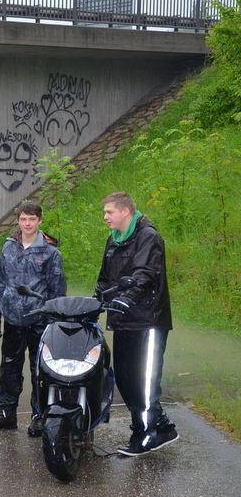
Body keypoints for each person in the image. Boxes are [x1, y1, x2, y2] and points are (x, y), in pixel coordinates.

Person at [95, 191, 177, 456]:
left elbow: (145, 275)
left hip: (147, 320)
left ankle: (147, 433)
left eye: (109, 212)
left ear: (125, 211)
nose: (105, 217)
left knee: (144, 381)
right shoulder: (114, 239)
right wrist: (96, 300)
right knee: (125, 378)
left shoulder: (148, 237)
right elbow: (105, 278)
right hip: (123, 320)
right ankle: (160, 426)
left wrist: (127, 298)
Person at [0, 202, 66, 436]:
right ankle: (6, 414)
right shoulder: (9, 247)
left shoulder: (51, 253)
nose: (27, 224)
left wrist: (54, 321)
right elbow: (0, 281)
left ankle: (39, 416)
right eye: (23, 219)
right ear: (18, 221)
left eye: (32, 219)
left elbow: (57, 291)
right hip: (12, 318)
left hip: (39, 320)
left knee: (40, 371)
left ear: (40, 221)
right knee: (9, 368)